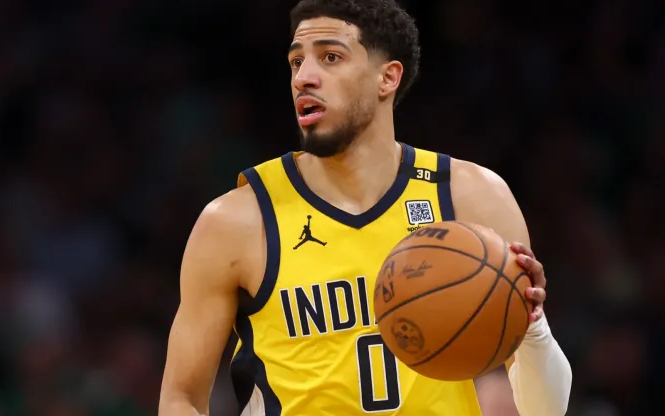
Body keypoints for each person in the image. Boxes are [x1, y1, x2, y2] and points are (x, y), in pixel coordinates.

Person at [159, 0, 572, 415]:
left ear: (387, 78)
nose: (303, 77)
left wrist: (534, 328)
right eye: (296, 61)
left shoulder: (472, 198)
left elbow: (546, 410)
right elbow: (181, 399)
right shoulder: (237, 220)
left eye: (330, 57)